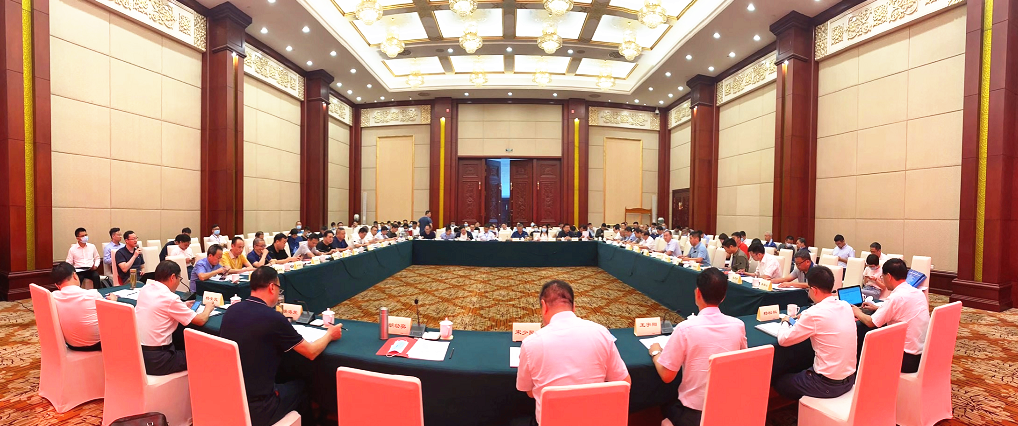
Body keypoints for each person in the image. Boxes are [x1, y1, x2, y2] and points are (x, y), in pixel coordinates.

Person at [219, 267, 343, 426]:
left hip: (231, 397)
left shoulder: (232, 310)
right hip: (260, 408)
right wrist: (330, 334)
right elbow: (311, 352)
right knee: (302, 387)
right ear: (272, 287)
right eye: (279, 289)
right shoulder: (273, 317)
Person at [516, 280, 630, 424]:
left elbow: (529, 391)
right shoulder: (601, 332)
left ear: (544, 306)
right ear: (574, 307)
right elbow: (624, 383)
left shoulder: (530, 343)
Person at [649, 269, 747, 426]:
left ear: (698, 293)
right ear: (724, 296)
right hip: (726, 407)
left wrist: (656, 352)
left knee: (664, 401)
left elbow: (667, 376)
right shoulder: (738, 326)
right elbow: (742, 362)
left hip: (693, 415)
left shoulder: (685, 328)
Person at [774, 266, 857, 400]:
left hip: (826, 385)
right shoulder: (846, 306)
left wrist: (785, 321)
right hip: (849, 379)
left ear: (814, 290)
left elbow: (783, 340)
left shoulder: (814, 313)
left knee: (779, 381)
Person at [136, 261, 215, 376]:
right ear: (173, 277)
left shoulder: (146, 289)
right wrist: (208, 308)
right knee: (206, 354)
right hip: (160, 360)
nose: (178, 282)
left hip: (140, 355)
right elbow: (200, 320)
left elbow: (161, 307)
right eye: (179, 278)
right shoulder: (170, 298)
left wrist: (182, 305)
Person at [852, 258, 930, 373]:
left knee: (863, 333)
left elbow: (871, 322)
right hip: (922, 354)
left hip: (905, 359)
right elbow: (903, 310)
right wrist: (878, 308)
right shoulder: (917, 293)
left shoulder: (896, 297)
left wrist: (856, 312)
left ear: (888, 276)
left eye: (882, 277)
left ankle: (860, 375)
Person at [50, 262, 118, 351]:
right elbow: (109, 315)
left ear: (57, 285)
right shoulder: (92, 294)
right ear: (75, 275)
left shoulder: (53, 297)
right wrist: (113, 301)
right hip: (98, 344)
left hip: (71, 344)